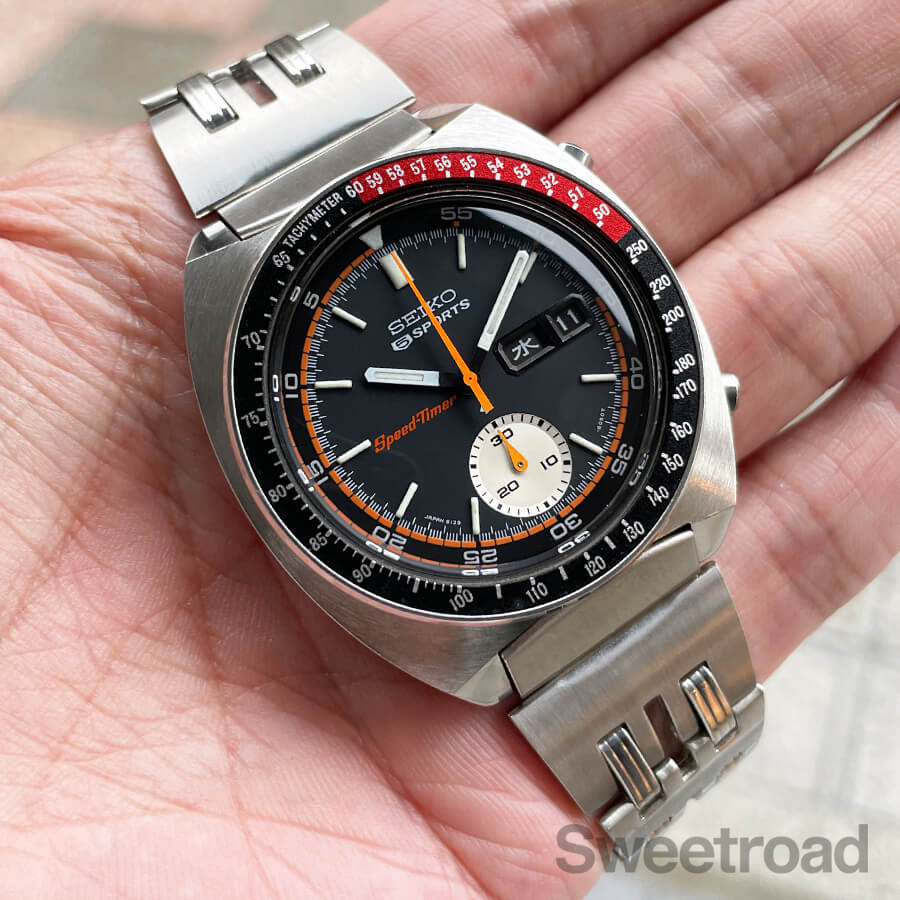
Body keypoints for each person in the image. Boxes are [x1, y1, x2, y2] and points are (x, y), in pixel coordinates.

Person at [0, 0, 896, 895]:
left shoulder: (475, 155)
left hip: (650, 529)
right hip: (504, 615)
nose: (472, 386)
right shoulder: (233, 264)